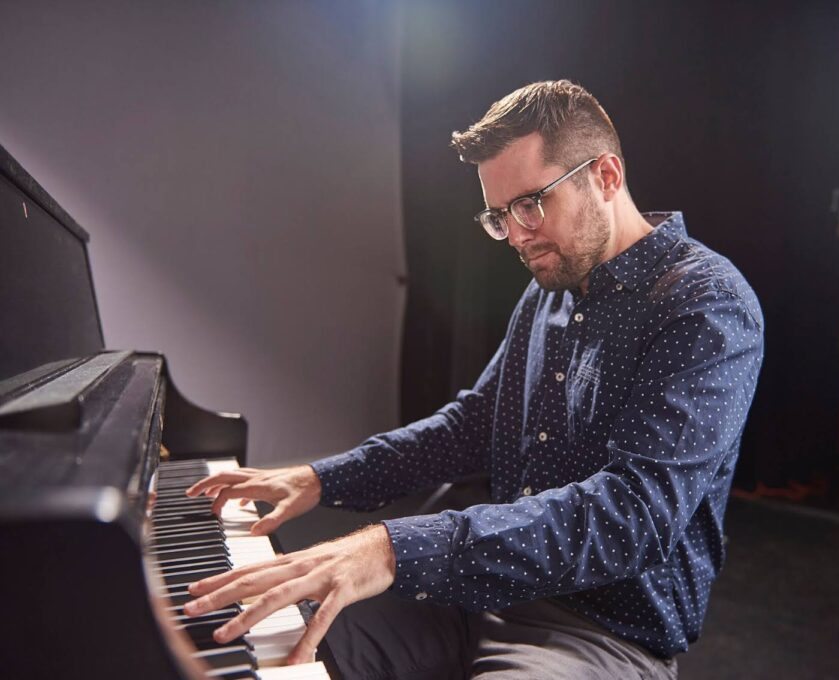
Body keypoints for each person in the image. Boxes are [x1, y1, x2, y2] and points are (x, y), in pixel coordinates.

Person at [183, 80, 764, 679]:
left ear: (607, 177)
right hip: (480, 591)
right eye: (500, 214)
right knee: (270, 645)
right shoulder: (552, 286)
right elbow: (475, 424)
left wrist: (391, 548)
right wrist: (320, 478)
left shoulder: (707, 305)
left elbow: (630, 517)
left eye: (531, 203)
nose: (516, 235)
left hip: (599, 632)